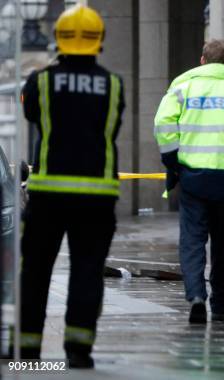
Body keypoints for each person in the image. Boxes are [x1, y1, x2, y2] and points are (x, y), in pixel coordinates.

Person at [17, 4, 124, 368]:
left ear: (58, 38)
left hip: (48, 195)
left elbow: (31, 113)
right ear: (99, 40)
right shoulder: (112, 85)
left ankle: (27, 349)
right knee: (87, 270)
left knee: (35, 271)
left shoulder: (41, 82)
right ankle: (79, 349)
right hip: (97, 195)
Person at [154, 39, 224, 323]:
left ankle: (196, 296)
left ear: (202, 60)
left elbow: (163, 125)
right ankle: (221, 304)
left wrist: (172, 162)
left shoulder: (181, 88)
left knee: (192, 239)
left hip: (192, 177)